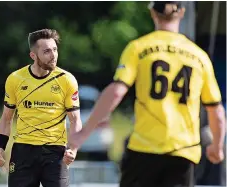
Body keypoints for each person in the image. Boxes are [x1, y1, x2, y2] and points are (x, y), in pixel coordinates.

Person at [69, 2, 226, 187]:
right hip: (183, 151)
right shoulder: (200, 57)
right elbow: (215, 110)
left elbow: (117, 92)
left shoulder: (138, 48)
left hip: (144, 149)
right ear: (182, 13)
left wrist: (83, 133)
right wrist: (217, 146)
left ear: (152, 12)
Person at [0, 29, 82, 187]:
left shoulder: (67, 80)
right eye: (46, 51)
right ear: (33, 55)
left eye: (55, 49)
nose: (53, 55)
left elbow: (75, 120)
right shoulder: (15, 79)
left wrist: (73, 149)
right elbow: (6, 118)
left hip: (55, 152)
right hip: (23, 152)